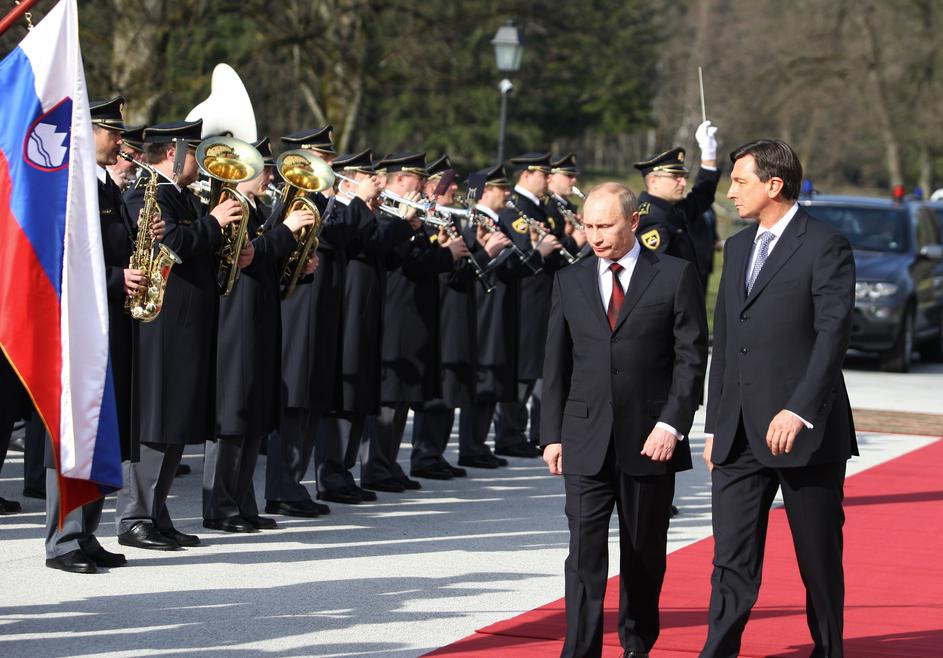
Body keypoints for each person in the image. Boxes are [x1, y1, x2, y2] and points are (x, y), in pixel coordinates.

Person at [701, 139, 857, 658]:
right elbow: (726, 341)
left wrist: (799, 409)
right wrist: (715, 424)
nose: (730, 192)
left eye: (740, 181)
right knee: (731, 559)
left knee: (817, 558)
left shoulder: (825, 245)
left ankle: (828, 650)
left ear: (774, 184)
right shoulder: (737, 247)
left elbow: (832, 336)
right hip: (738, 434)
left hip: (805, 434)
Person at [541, 182, 708, 658]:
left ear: (633, 221)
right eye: (588, 226)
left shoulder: (674, 275)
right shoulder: (570, 280)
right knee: (584, 556)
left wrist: (672, 424)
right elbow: (556, 364)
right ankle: (580, 650)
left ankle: (637, 645)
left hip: (651, 439)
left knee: (643, 555)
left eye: (605, 226)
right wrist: (551, 435)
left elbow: (691, 358)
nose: (594, 236)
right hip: (585, 438)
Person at [116, 119, 242, 551]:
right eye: (196, 152)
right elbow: (171, 243)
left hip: (187, 325)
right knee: (156, 420)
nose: (202, 162)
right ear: (174, 152)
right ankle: (135, 515)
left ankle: (156, 513)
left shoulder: (184, 195)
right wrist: (214, 222)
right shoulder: (145, 193)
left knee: (176, 422)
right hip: (162, 325)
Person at [44, 96, 143, 572]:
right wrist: (116, 278)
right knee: (74, 429)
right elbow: (63, 261)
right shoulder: (71, 185)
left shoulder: (106, 186)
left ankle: (86, 533)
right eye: (113, 132)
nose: (121, 141)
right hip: (80, 324)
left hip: (111, 323)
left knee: (103, 429)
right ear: (88, 133)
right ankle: (62, 539)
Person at [203, 137, 317, 533]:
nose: (269, 176)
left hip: (261, 317)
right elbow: (248, 254)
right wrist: (286, 231)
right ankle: (219, 506)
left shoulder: (258, 209)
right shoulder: (231, 206)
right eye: (263, 169)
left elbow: (266, 259)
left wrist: (299, 266)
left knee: (254, 413)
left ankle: (242, 502)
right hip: (235, 320)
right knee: (233, 414)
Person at [361, 152, 468, 493]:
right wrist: (447, 254)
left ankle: (388, 463)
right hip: (395, 314)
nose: (424, 185)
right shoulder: (388, 213)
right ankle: (376, 466)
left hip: (414, 315)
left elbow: (419, 256)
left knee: (403, 395)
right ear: (400, 179)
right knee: (389, 396)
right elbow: (408, 261)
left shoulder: (407, 214)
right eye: (419, 178)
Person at [495, 152, 564, 459]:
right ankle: (509, 432)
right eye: (543, 174)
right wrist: (542, 248)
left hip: (544, 294)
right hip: (527, 296)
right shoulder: (517, 209)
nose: (548, 179)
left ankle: (522, 430)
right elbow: (523, 250)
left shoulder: (540, 207)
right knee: (523, 366)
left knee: (536, 365)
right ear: (526, 175)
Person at [633, 120, 720, 284]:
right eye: (675, 177)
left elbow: (702, 195)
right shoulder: (649, 219)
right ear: (653, 181)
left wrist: (709, 154)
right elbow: (656, 277)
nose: (683, 182)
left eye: (684, 177)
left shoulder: (670, 209)